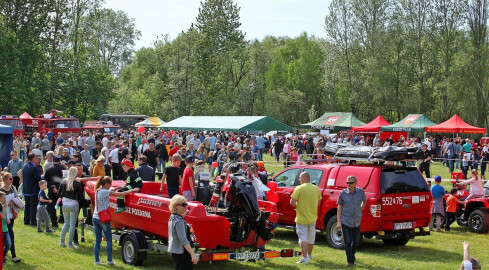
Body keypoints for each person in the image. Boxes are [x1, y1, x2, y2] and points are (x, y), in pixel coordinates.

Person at [93, 176, 139, 265]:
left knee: (97, 240)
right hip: (103, 218)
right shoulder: (105, 192)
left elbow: (111, 191)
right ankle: (109, 260)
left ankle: (97, 260)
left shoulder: (98, 190)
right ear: (106, 184)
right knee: (109, 239)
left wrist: (117, 188)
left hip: (95, 217)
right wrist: (132, 190)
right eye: (110, 184)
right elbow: (120, 195)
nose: (110, 185)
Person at [289, 172, 322, 265]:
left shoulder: (299, 188)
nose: (299, 179)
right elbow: (319, 202)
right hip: (313, 218)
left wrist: (297, 205)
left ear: (304, 178)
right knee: (311, 238)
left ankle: (304, 258)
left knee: (302, 238)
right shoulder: (316, 188)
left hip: (301, 218)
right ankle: (309, 255)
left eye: (300, 177)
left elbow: (292, 202)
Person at [337, 175, 366, 267]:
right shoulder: (342, 193)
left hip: (357, 220)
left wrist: (360, 209)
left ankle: (352, 254)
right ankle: (350, 261)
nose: (348, 184)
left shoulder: (360, 192)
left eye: (351, 183)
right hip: (346, 221)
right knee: (348, 242)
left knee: (356, 241)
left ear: (355, 183)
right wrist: (338, 221)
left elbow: (364, 201)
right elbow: (339, 208)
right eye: (347, 183)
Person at [168, 195, 198, 269]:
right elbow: (183, 239)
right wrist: (192, 254)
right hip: (182, 252)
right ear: (176, 206)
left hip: (176, 251)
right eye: (183, 205)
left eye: (186, 204)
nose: (185, 207)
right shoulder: (179, 220)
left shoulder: (172, 217)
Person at [58, 167, 83, 248]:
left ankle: (62, 242)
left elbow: (59, 192)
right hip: (74, 204)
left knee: (66, 223)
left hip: (65, 204)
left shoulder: (63, 181)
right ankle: (69, 243)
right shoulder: (77, 183)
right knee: (72, 225)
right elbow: (80, 196)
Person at [0, 173, 20, 263]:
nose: (12, 180)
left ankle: (4, 252)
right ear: (5, 180)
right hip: (4, 216)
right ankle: (13, 255)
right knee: (10, 234)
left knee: (7, 234)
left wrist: (13, 201)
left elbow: (18, 197)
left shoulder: (12, 188)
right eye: (10, 179)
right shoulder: (1, 191)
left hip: (11, 214)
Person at [44, 155, 65, 227]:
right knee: (63, 206)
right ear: (59, 161)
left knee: (52, 207)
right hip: (61, 190)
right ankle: (62, 219)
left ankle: (54, 222)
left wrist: (50, 187)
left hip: (51, 190)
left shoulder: (48, 169)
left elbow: (45, 180)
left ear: (53, 161)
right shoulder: (63, 168)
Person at [21, 153, 42, 226]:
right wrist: (43, 178)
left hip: (26, 188)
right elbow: (38, 178)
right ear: (33, 158)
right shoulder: (33, 168)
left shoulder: (24, 166)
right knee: (33, 205)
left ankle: (26, 220)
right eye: (36, 158)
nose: (37, 159)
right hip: (33, 189)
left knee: (27, 205)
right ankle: (33, 221)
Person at [0, 191, 11, 267]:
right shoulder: (2, 206)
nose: (5, 199)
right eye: (3, 198)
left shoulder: (4, 205)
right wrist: (4, 208)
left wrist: (8, 219)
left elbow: (5, 216)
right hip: (1, 231)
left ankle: (2, 257)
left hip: (5, 229)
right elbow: (2, 216)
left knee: (8, 244)